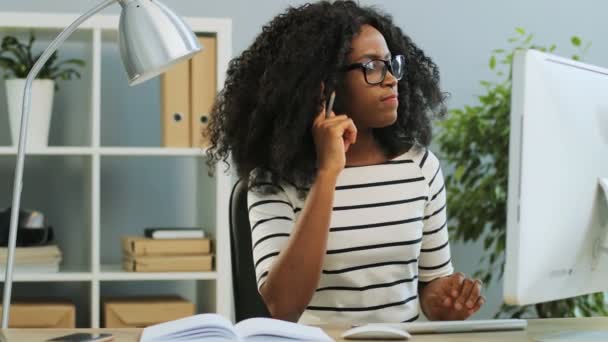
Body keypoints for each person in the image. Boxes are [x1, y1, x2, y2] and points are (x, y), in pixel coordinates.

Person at [206, 0, 485, 325]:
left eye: (390, 64)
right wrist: (327, 174)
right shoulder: (274, 181)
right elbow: (282, 307)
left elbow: (431, 285)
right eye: (371, 67)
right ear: (323, 85)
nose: (391, 79)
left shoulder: (420, 167)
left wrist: (446, 302)